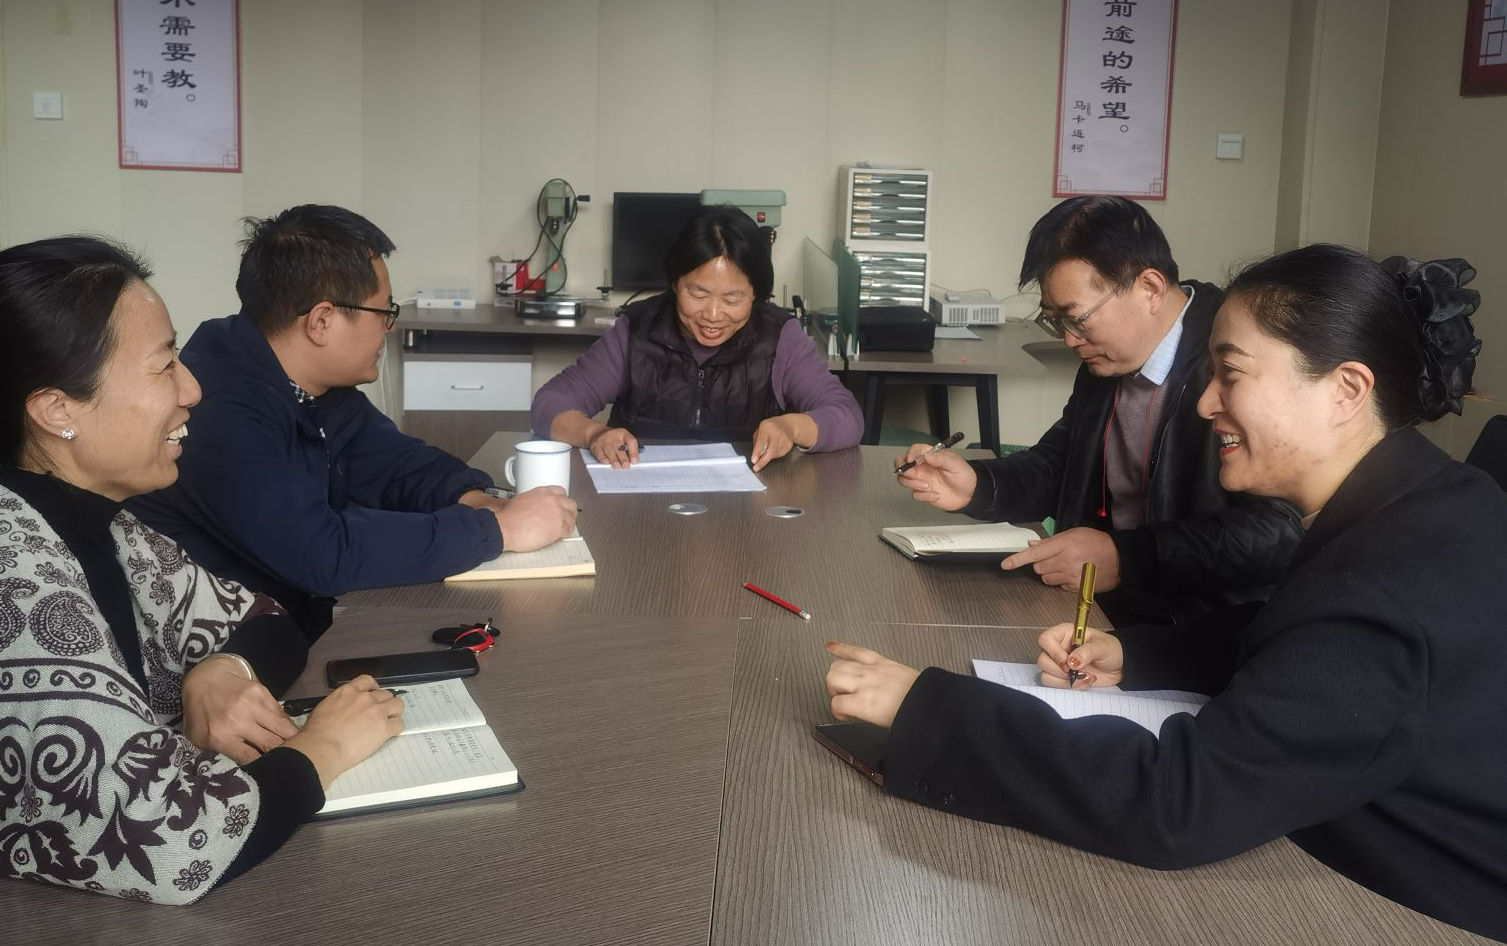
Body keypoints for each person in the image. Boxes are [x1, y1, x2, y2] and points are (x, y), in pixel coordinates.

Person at [826, 244, 1507, 946]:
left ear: (1345, 389)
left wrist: (929, 710)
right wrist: (1131, 654)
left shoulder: (1394, 579)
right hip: (1474, 923)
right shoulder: (1421, 498)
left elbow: (1179, 805)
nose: (1204, 404)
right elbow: (1294, 633)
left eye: (1229, 374)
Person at [0, 238, 405, 912]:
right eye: (164, 365)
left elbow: (266, 623)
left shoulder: (89, 523)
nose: (192, 389)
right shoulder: (7, 592)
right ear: (57, 410)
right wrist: (323, 749)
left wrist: (222, 671)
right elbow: (172, 845)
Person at [130, 206, 576, 641]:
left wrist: (475, 499)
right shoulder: (218, 408)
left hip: (304, 617)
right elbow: (321, 553)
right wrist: (498, 531)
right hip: (238, 650)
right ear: (322, 321)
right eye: (383, 311)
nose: (389, 328)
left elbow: (396, 463)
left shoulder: (309, 382)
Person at [893, 197, 1299, 621]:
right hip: (1101, 607)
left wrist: (1127, 556)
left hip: (1202, 627)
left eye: (1077, 318)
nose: (1069, 339)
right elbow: (1059, 467)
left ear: (1150, 289)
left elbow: (1281, 529)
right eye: (1056, 321)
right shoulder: (1107, 360)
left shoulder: (1239, 361)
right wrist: (977, 485)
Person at [532, 205, 863, 470]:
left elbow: (847, 415)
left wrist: (792, 427)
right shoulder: (636, 330)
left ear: (756, 294)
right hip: (642, 506)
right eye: (698, 294)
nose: (713, 315)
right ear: (675, 283)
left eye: (732, 299)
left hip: (752, 512)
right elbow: (550, 403)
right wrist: (595, 434)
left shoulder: (779, 337)